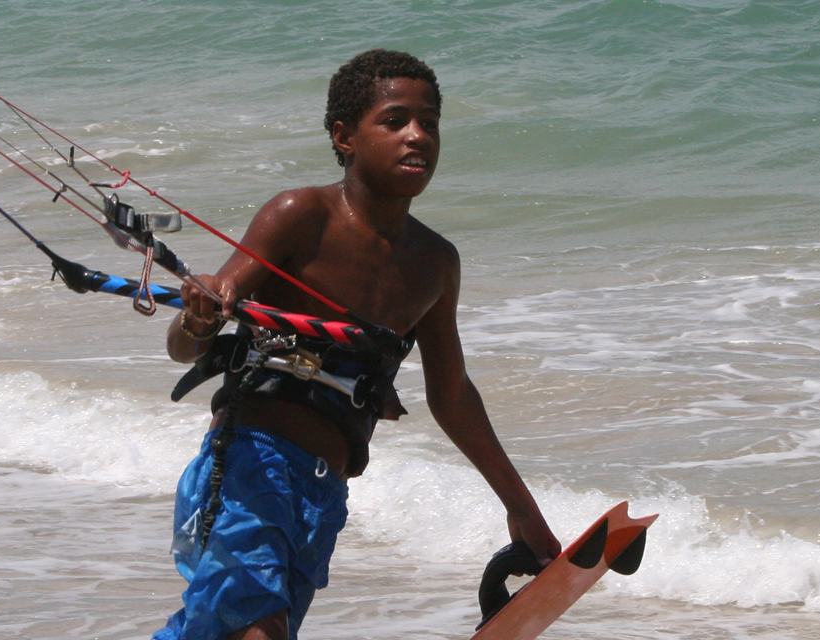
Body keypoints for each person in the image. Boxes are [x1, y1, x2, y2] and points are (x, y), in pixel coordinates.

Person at [154, 49, 561, 640]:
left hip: (324, 491)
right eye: (395, 121)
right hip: (248, 466)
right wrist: (201, 312)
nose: (417, 136)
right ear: (345, 137)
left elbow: (452, 397)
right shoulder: (301, 215)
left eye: (429, 124)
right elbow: (184, 347)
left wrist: (520, 507)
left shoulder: (434, 264)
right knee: (257, 632)